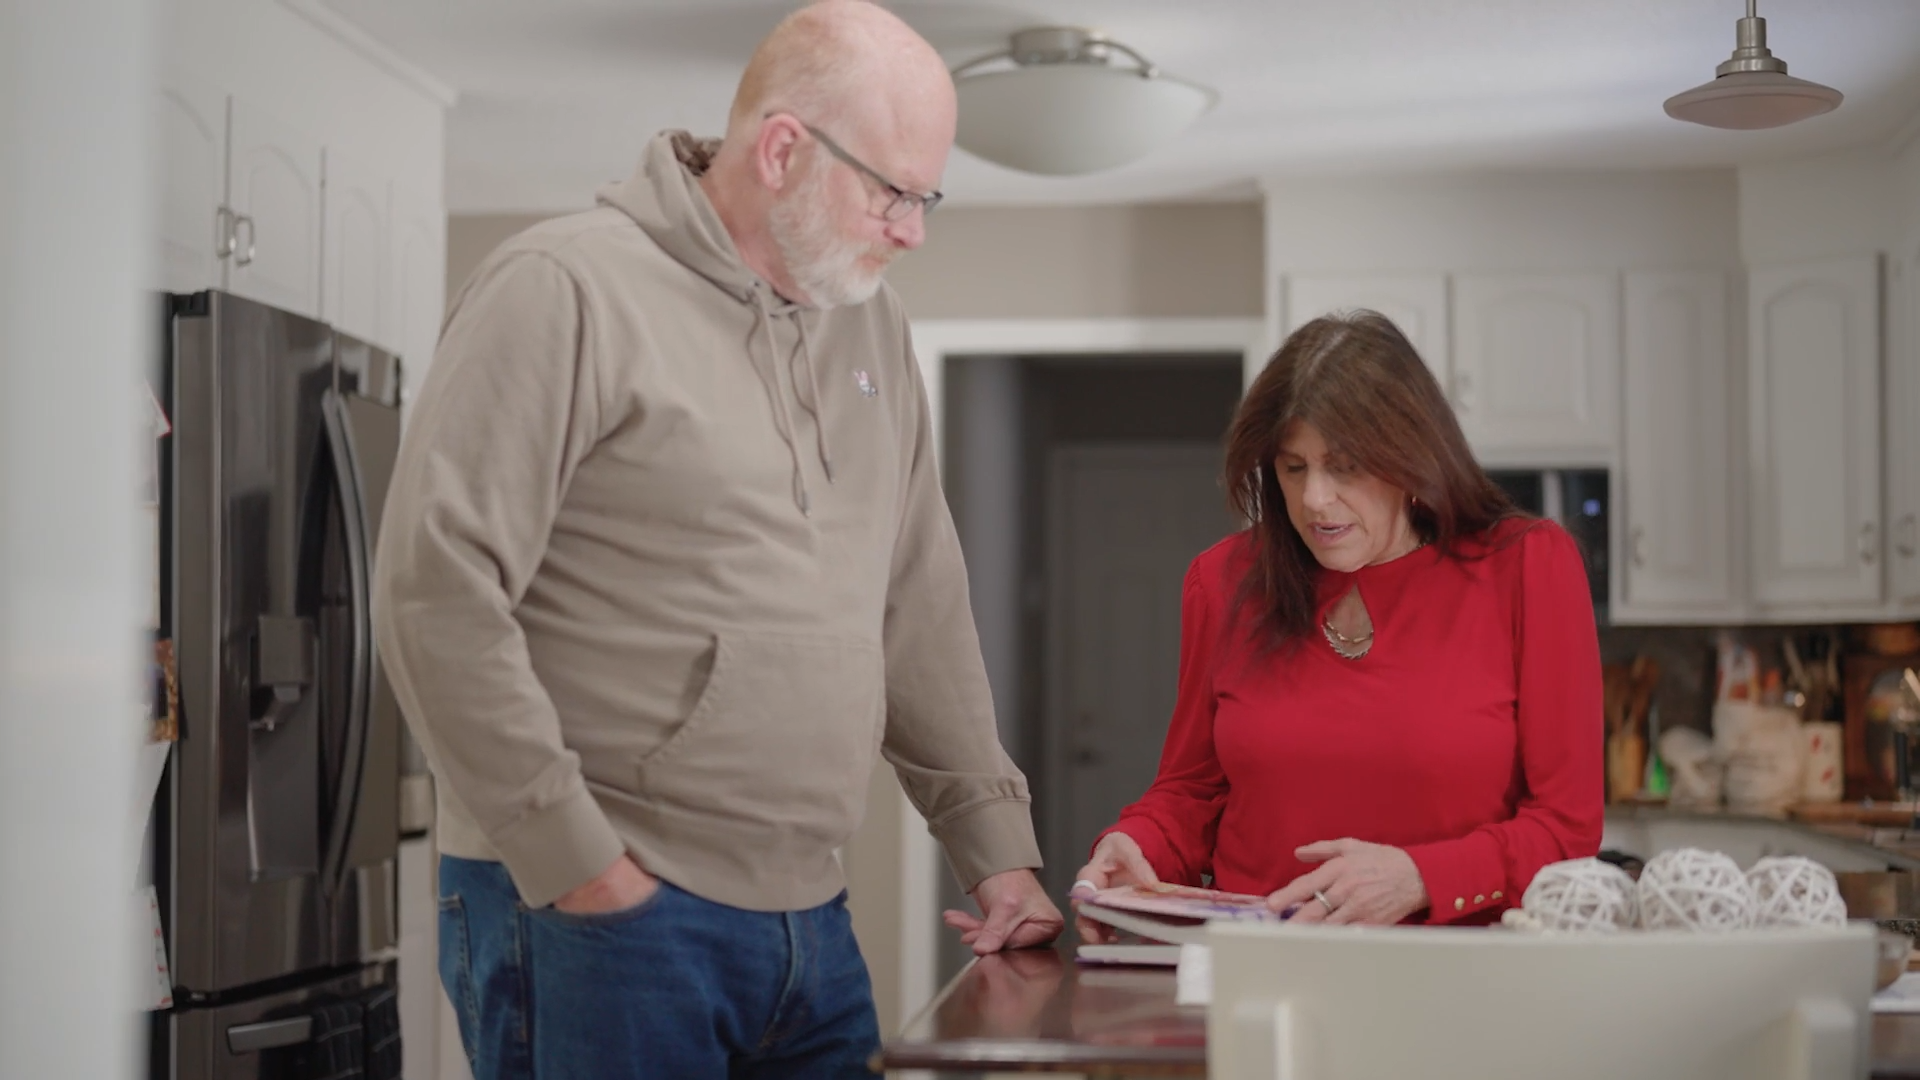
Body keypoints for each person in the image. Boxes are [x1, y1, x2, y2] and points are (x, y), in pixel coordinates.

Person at [372, 3, 1061, 1077]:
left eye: (927, 197)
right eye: (893, 192)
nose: (912, 229)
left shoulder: (870, 324)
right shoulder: (563, 288)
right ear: (783, 150)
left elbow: (916, 602)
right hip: (604, 912)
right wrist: (579, 866)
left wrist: (995, 851)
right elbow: (435, 590)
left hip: (811, 917)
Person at [1071, 310, 1604, 931]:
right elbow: (1193, 793)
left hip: (1461, 978)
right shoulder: (1223, 583)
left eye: (1344, 466)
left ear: (1411, 456)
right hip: (1261, 972)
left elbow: (1567, 831)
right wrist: (1139, 843)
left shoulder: (1527, 566)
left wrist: (1421, 878)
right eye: (1293, 467)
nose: (1314, 499)